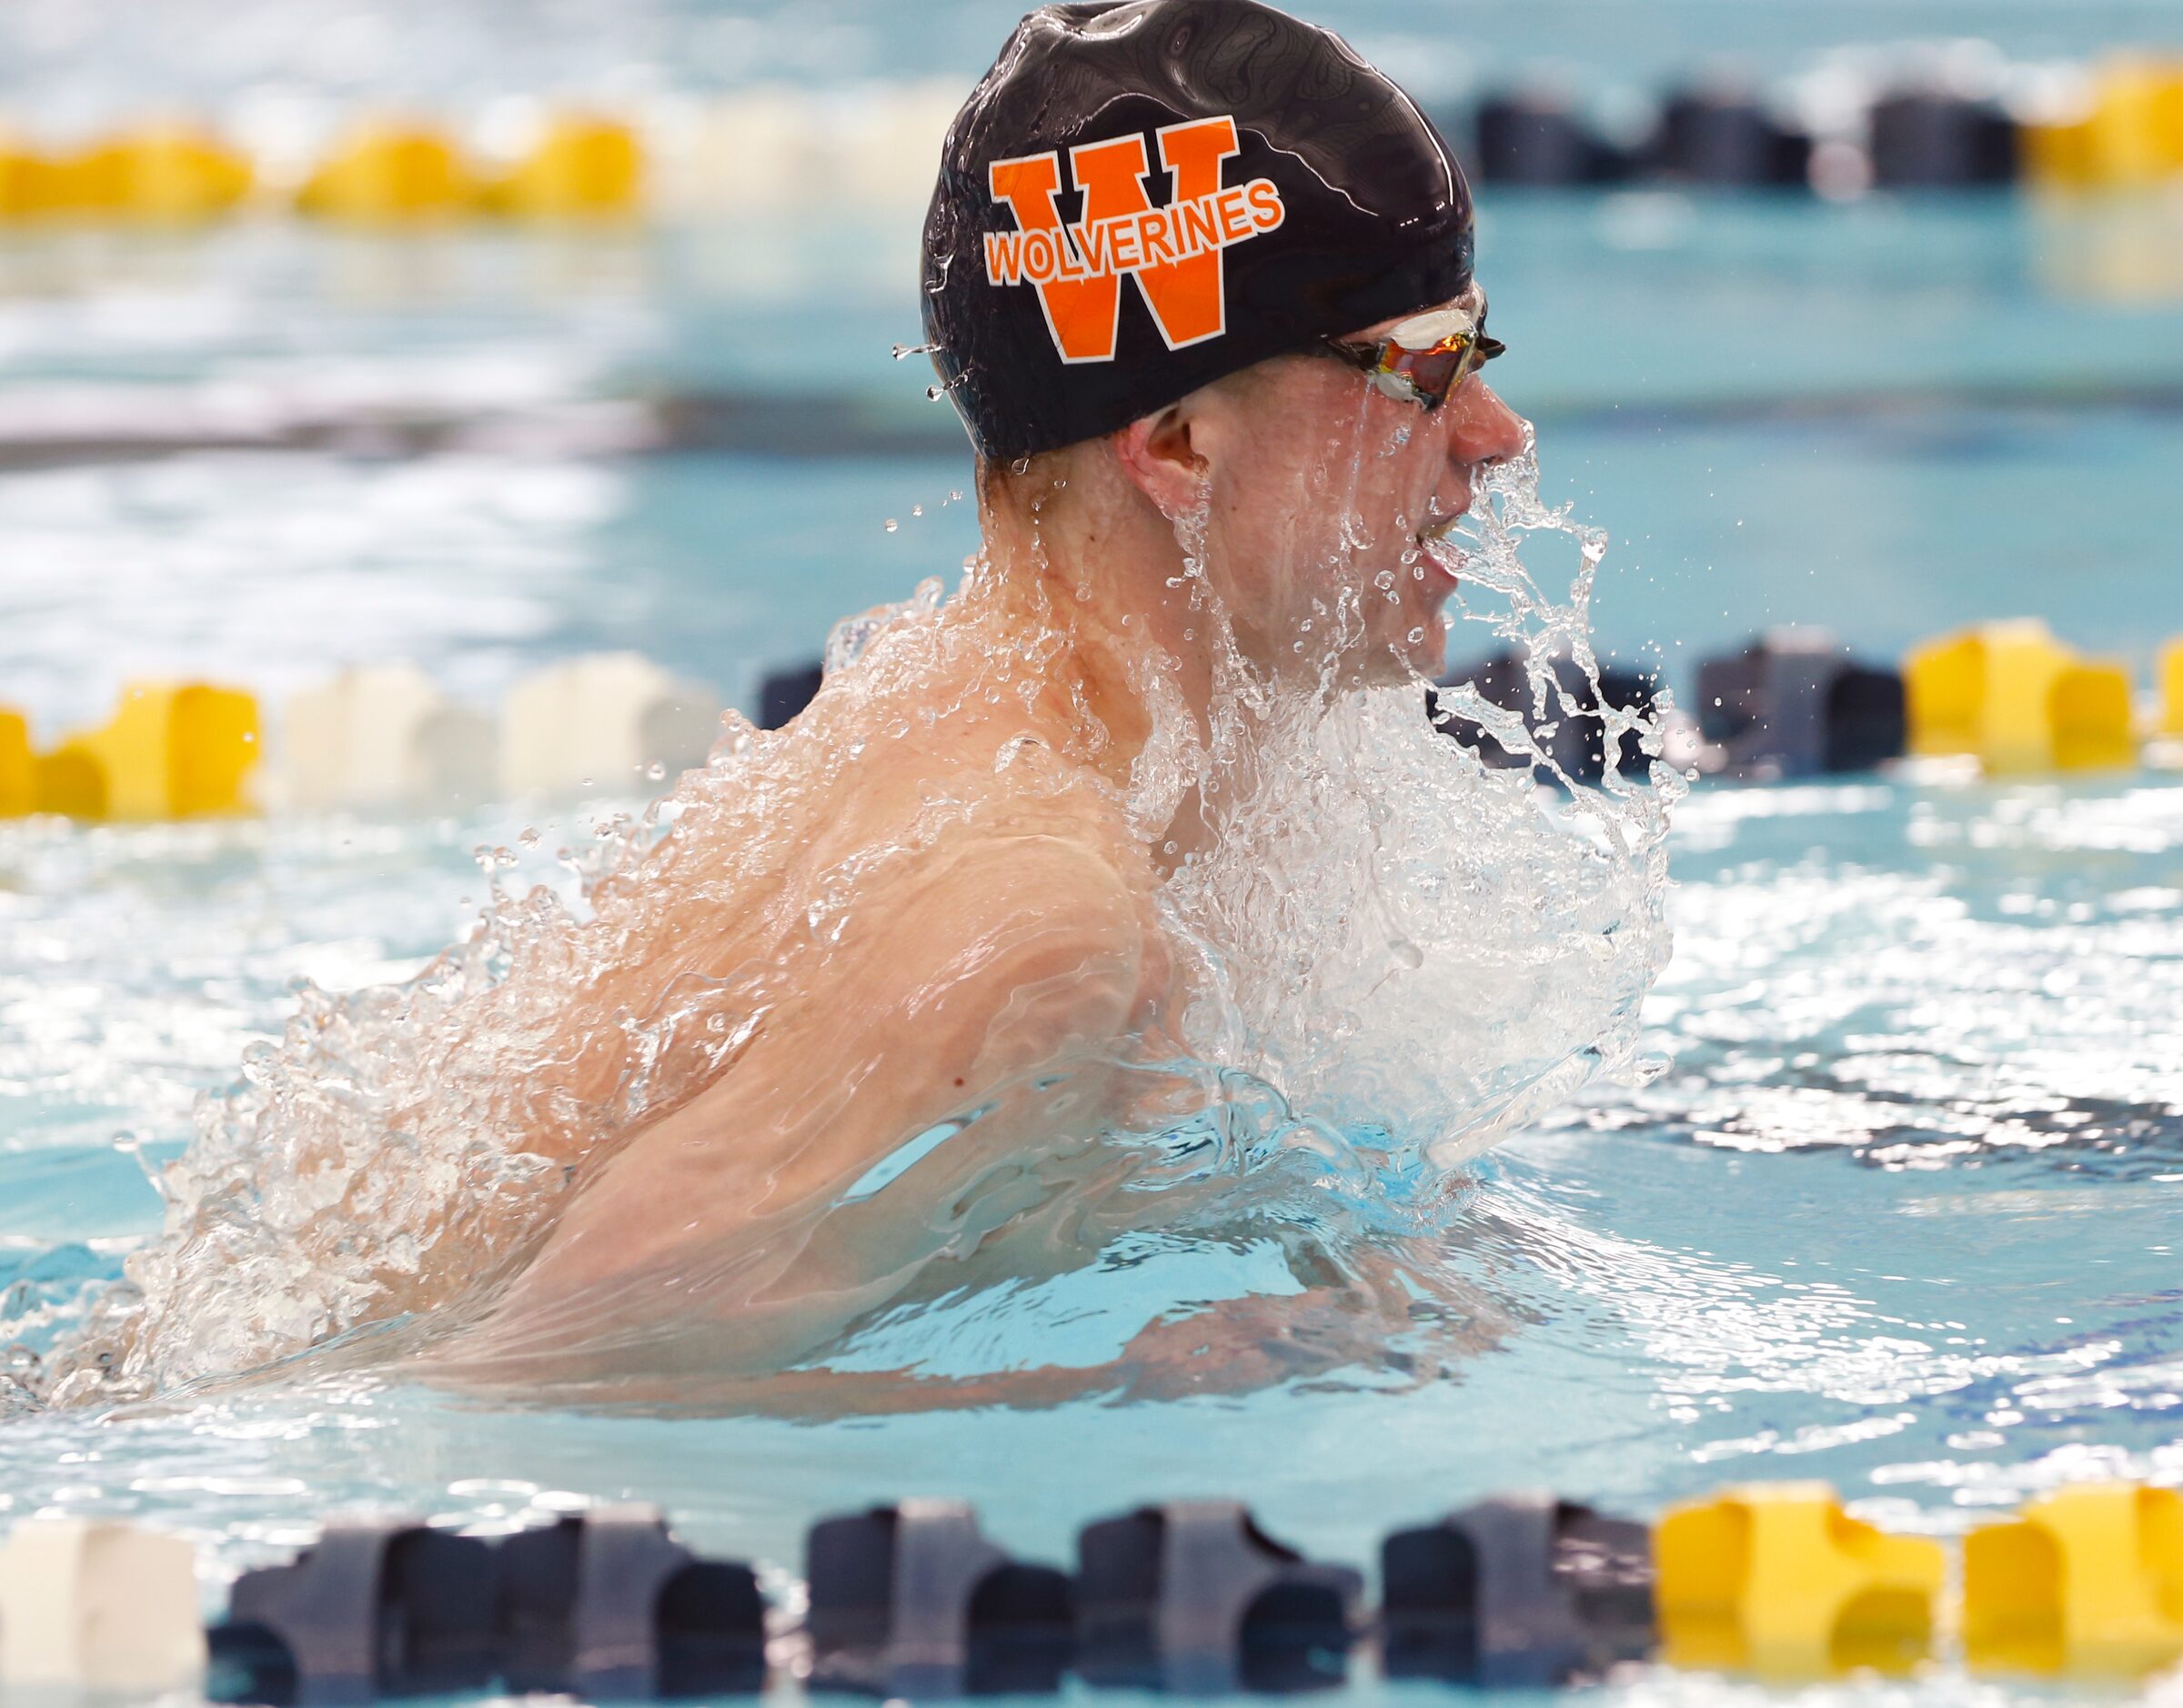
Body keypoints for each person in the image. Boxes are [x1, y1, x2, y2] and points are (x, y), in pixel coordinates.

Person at [64, 0, 1530, 1405]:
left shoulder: (1032, 726)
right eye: (1422, 368)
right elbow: (529, 1373)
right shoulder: (1039, 927)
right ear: (1179, 446)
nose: (1495, 435)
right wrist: (1119, 1376)